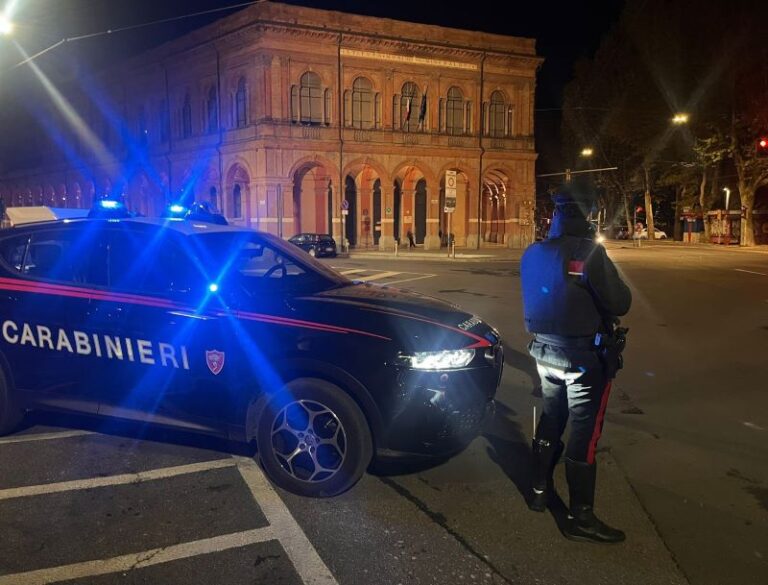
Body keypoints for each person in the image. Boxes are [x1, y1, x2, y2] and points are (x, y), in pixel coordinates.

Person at [520, 184, 632, 544]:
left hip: (544, 354)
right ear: (587, 215)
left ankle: (538, 491)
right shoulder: (589, 253)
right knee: (585, 435)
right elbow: (620, 302)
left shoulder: (532, 252)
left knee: (552, 418)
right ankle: (580, 517)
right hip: (582, 358)